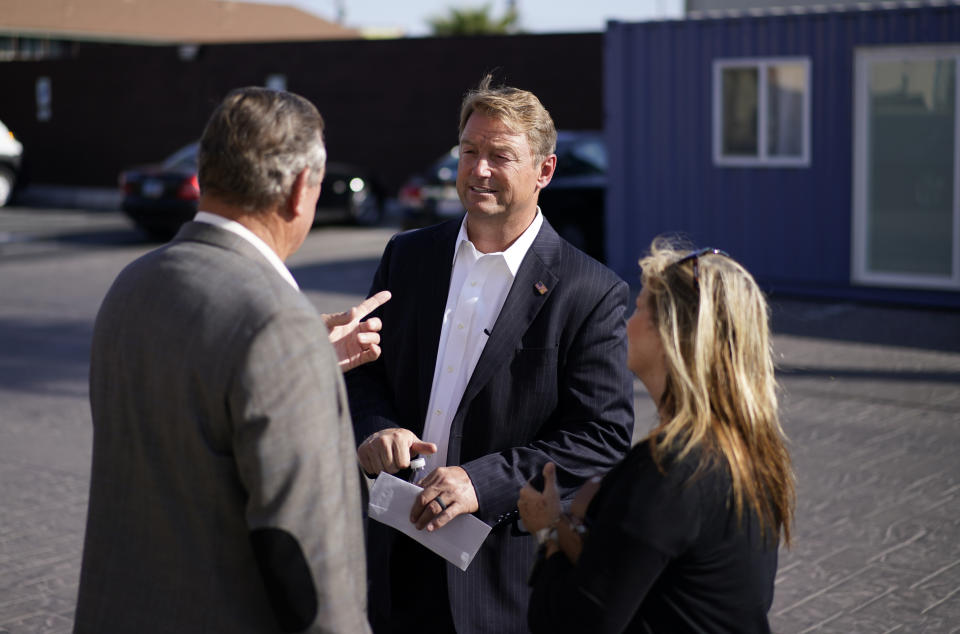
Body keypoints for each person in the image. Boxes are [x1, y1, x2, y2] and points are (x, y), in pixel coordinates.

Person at [74, 87, 378, 634]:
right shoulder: (277, 323)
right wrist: (298, 356)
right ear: (299, 189)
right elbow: (307, 557)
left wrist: (306, 365)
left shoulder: (133, 283)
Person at [345, 75, 635, 633]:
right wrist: (375, 429)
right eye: (470, 152)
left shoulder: (588, 290)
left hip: (498, 576)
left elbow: (601, 435)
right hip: (394, 557)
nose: (478, 170)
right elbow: (365, 371)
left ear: (543, 172)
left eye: (500, 156)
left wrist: (482, 483)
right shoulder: (407, 257)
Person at [517, 239, 796, 633]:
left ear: (674, 334)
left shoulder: (668, 471)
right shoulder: (746, 451)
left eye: (639, 308)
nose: (626, 323)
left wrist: (547, 532)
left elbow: (574, 623)